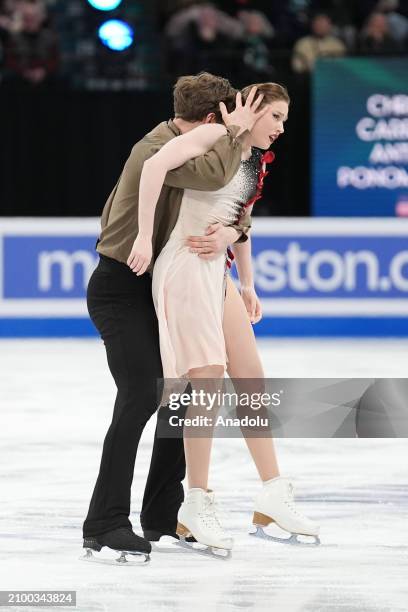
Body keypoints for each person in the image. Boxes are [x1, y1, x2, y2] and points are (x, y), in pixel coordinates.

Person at [130, 82, 320, 553]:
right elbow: (153, 167)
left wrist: (249, 282)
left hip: (217, 268)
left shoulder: (253, 160)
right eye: (275, 116)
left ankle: (273, 490)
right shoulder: (215, 137)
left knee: (251, 374)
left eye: (284, 120)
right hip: (184, 260)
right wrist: (143, 237)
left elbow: (240, 219)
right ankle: (195, 500)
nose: (280, 128)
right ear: (251, 111)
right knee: (208, 379)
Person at [81, 72, 257, 563]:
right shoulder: (159, 150)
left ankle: (163, 515)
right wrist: (236, 136)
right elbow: (216, 178)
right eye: (223, 122)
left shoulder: (187, 144)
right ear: (209, 119)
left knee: (184, 390)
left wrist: (233, 235)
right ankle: (104, 522)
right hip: (121, 287)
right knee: (142, 391)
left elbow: (229, 202)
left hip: (157, 286)